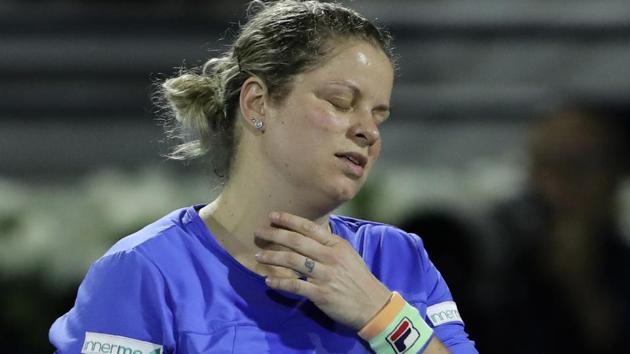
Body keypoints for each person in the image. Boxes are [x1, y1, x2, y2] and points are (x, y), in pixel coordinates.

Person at [49, 1, 478, 353]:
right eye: (341, 101)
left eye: (379, 115)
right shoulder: (145, 272)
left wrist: (379, 312)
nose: (368, 130)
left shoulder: (398, 258)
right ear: (257, 103)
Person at [489, 105, 630, 354]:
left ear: (613, 175)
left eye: (576, 166)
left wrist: (581, 286)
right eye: (544, 164)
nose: (556, 185)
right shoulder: (504, 262)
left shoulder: (618, 272)